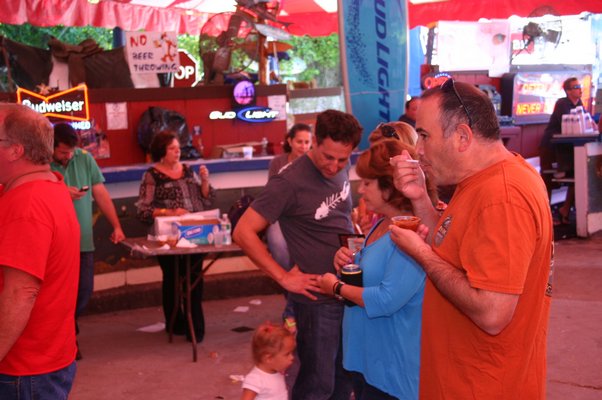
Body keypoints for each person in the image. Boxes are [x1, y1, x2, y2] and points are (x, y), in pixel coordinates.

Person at [389, 79, 553, 399]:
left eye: (423, 135)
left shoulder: (502, 196)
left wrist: (422, 253)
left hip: (483, 387)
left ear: (462, 136)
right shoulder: (482, 179)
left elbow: (492, 313)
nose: (418, 150)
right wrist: (420, 198)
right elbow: (454, 246)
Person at [233, 109, 363, 399]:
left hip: (347, 291)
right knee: (317, 385)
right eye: (328, 157)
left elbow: (340, 218)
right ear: (314, 141)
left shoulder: (340, 167)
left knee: (344, 380)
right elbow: (243, 232)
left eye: (343, 159)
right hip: (316, 299)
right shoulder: (288, 182)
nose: (334, 166)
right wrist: (283, 278)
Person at [318, 139, 438, 399]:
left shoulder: (409, 233)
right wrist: (348, 261)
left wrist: (336, 287)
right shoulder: (380, 225)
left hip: (391, 370)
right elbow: (370, 277)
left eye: (367, 183)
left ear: (389, 187)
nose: (361, 190)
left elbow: (386, 299)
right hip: (368, 359)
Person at [0, 104, 80, 399]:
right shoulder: (50, 186)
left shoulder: (27, 204)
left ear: (15, 150)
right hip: (45, 360)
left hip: (22, 370)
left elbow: (21, 293)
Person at [50, 122, 125, 357]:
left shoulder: (84, 158)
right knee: (58, 295)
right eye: (62, 152)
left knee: (84, 291)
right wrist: (62, 192)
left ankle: (68, 330)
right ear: (50, 147)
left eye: (70, 151)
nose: (68, 156)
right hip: (54, 243)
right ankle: (66, 340)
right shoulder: (39, 162)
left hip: (83, 241)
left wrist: (117, 225)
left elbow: (100, 193)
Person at [136, 130, 216, 342]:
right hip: (167, 236)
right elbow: (143, 210)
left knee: (194, 279)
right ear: (162, 151)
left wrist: (206, 181)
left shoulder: (189, 171)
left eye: (178, 148)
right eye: (172, 148)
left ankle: (196, 328)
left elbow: (206, 198)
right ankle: (176, 323)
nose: (177, 152)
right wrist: (169, 212)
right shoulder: (152, 175)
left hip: (195, 232)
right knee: (172, 278)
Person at [267, 123, 313, 332]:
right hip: (280, 214)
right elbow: (272, 195)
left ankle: (291, 308)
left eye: (307, 142)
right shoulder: (277, 163)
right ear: (290, 141)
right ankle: (291, 292)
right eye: (300, 142)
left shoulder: (313, 162)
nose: (303, 146)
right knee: (278, 244)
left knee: (305, 251)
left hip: (306, 216)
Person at [539, 77, 595, 225]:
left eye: (580, 86)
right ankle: (544, 215)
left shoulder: (580, 104)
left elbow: (586, 123)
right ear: (568, 91)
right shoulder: (562, 103)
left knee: (578, 175)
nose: (580, 89)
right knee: (547, 180)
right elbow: (568, 124)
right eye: (576, 86)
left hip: (568, 148)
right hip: (550, 146)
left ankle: (565, 208)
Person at [241, 322, 296, 400]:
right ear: (269, 358)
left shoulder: (277, 372)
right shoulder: (255, 379)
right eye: (287, 354)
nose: (292, 357)